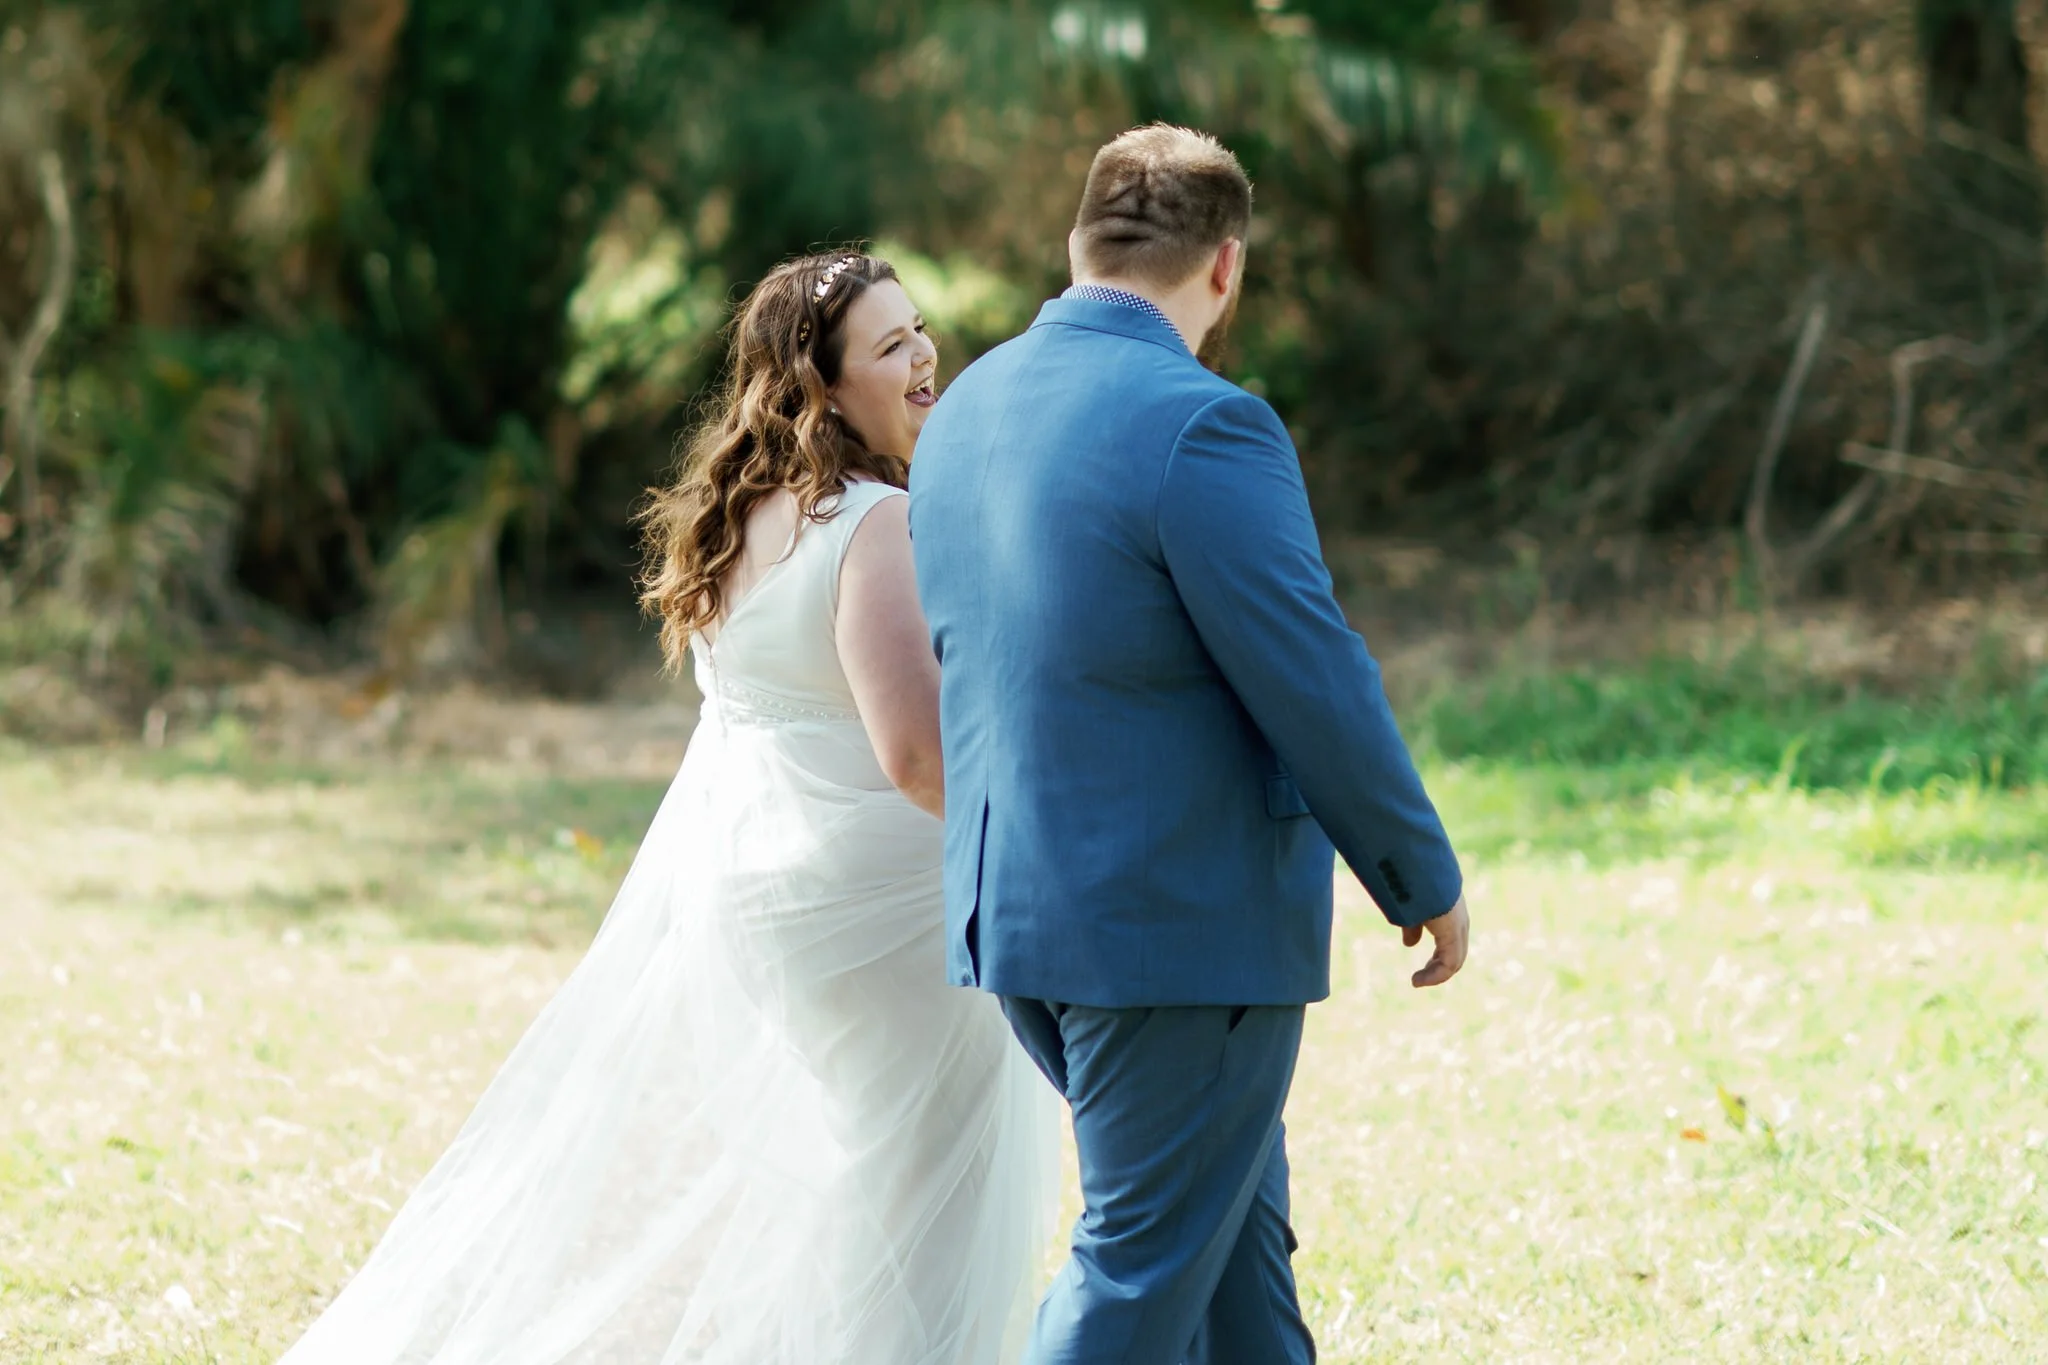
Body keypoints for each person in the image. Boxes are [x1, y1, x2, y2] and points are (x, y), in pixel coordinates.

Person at [279, 252, 1056, 1365]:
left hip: (779, 902)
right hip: (891, 919)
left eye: (917, 328)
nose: (925, 353)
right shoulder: (874, 523)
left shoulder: (744, 518)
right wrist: (1044, 849)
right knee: (935, 1201)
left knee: (876, 1186)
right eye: (890, 345)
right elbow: (918, 754)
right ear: (824, 385)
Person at [909, 124, 1473, 1365]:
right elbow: (1310, 675)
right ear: (1226, 267)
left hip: (1018, 915)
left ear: (1076, 243)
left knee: (1232, 1263)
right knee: (1138, 1263)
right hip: (1169, 929)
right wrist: (1416, 872)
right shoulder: (1203, 424)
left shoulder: (965, 410)